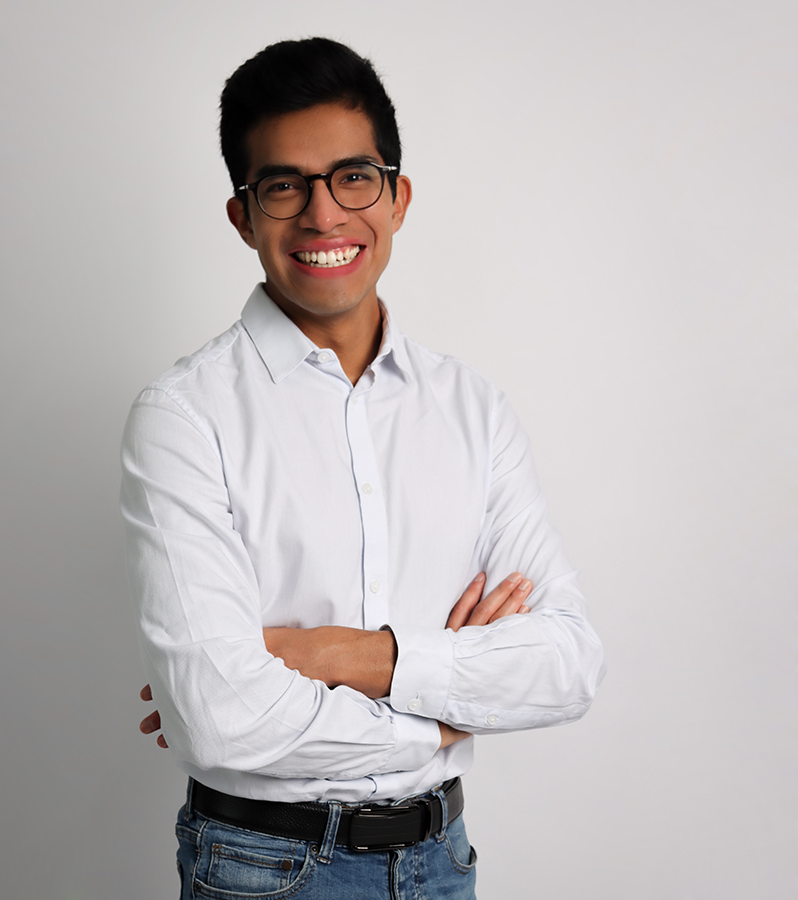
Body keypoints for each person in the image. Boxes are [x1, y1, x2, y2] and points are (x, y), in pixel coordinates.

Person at [121, 36, 605, 900]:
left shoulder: (472, 409)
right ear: (243, 217)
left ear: (397, 197)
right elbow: (220, 720)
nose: (323, 214)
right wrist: (445, 714)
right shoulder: (184, 418)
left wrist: (332, 654)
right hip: (265, 869)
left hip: (441, 861)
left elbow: (566, 663)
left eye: (353, 177)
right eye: (284, 186)